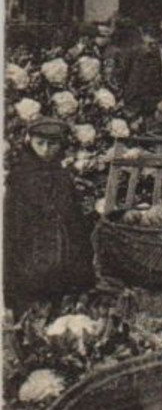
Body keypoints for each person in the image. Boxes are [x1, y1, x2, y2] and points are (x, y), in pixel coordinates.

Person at [3, 119, 95, 309]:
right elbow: (13, 224)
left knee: (62, 294)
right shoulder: (19, 177)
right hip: (31, 249)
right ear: (30, 143)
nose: (45, 150)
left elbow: (74, 219)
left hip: (63, 251)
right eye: (40, 143)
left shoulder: (62, 177)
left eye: (52, 144)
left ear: (60, 145)